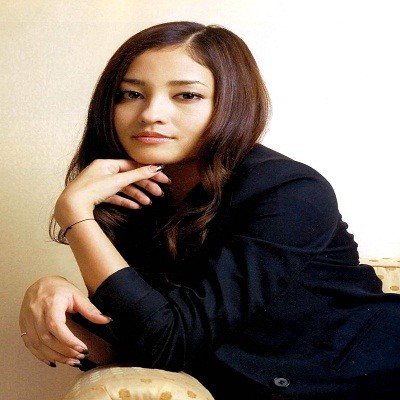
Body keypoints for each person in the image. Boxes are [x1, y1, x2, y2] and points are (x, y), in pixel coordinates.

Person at [19, 21, 400, 399]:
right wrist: (55, 303)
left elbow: (169, 341)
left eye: (187, 95)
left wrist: (75, 213)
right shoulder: (134, 198)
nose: (151, 113)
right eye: (131, 94)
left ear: (231, 104)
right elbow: (142, 342)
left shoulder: (291, 192)